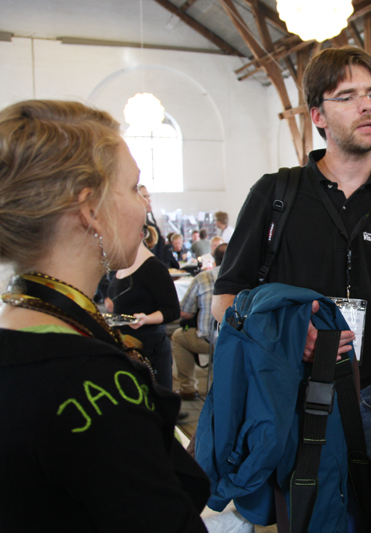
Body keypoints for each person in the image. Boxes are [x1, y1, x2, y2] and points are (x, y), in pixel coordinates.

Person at [211, 46, 371, 532]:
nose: (367, 106)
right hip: (293, 394)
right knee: (303, 520)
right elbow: (224, 303)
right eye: (347, 96)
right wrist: (285, 337)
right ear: (318, 115)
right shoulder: (275, 195)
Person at [0, 99, 209, 530]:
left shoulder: (21, 331)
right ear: (90, 210)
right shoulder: (93, 381)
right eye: (134, 188)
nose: (144, 207)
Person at [106, 229, 181, 390]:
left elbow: (173, 310)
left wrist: (146, 318)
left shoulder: (153, 268)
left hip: (149, 347)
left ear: (139, 235)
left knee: (155, 397)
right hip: (125, 344)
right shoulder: (123, 264)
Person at [172, 243, 226, 401]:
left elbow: (185, 313)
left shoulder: (203, 277)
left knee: (178, 337)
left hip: (209, 339)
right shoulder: (249, 278)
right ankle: (222, 389)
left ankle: (188, 388)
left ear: (214, 259)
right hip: (239, 341)